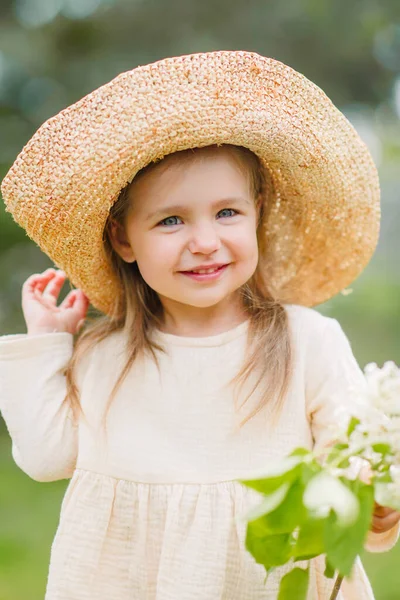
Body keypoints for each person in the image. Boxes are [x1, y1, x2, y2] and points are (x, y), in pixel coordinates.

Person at [0, 50, 398, 600]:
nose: (205, 241)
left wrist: (377, 504)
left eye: (227, 212)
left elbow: (350, 473)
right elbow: (44, 459)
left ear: (257, 212)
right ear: (123, 239)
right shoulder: (103, 357)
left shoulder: (308, 343)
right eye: (170, 220)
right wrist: (47, 343)